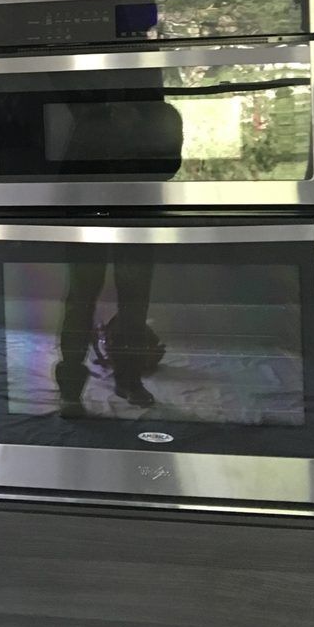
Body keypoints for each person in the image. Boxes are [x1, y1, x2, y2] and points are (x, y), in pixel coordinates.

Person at [54, 91, 183, 415]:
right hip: (85, 219)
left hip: (136, 218)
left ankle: (127, 380)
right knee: (83, 300)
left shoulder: (162, 116)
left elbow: (168, 169)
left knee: (133, 303)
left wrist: (135, 129)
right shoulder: (90, 115)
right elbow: (66, 176)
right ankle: (71, 389)